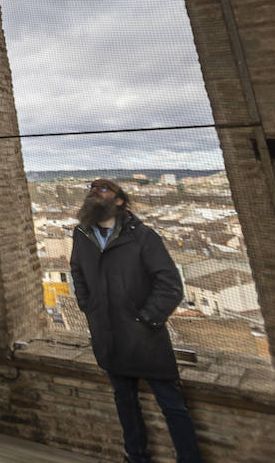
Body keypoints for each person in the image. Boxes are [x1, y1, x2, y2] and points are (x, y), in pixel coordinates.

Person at [70, 179, 202, 463]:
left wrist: (145, 319)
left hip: (144, 337)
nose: (95, 192)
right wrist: (88, 306)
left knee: (171, 403)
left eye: (103, 189)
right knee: (124, 400)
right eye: (92, 189)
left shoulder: (143, 236)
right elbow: (77, 272)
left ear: (119, 201)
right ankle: (136, 456)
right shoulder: (81, 235)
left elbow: (170, 285)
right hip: (108, 333)